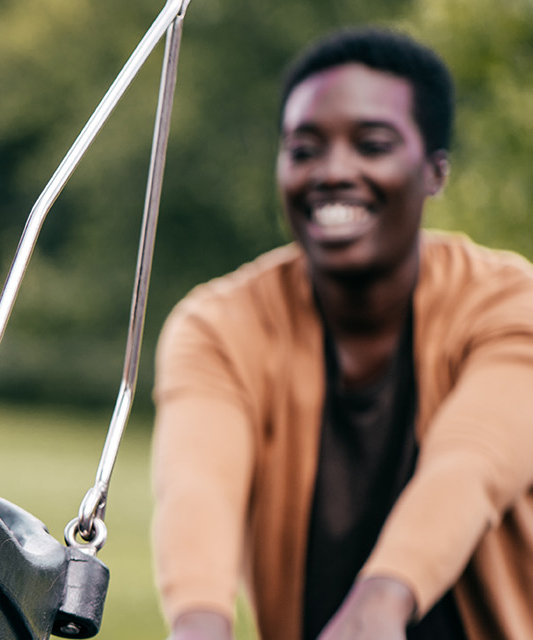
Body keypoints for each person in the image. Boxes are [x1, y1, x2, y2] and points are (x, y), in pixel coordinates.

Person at [151, 27, 533, 640]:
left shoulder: (511, 301)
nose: (333, 171)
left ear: (436, 171)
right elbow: (199, 488)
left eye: (372, 145)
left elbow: (474, 462)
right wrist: (199, 621)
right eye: (304, 150)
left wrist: (383, 600)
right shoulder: (218, 325)